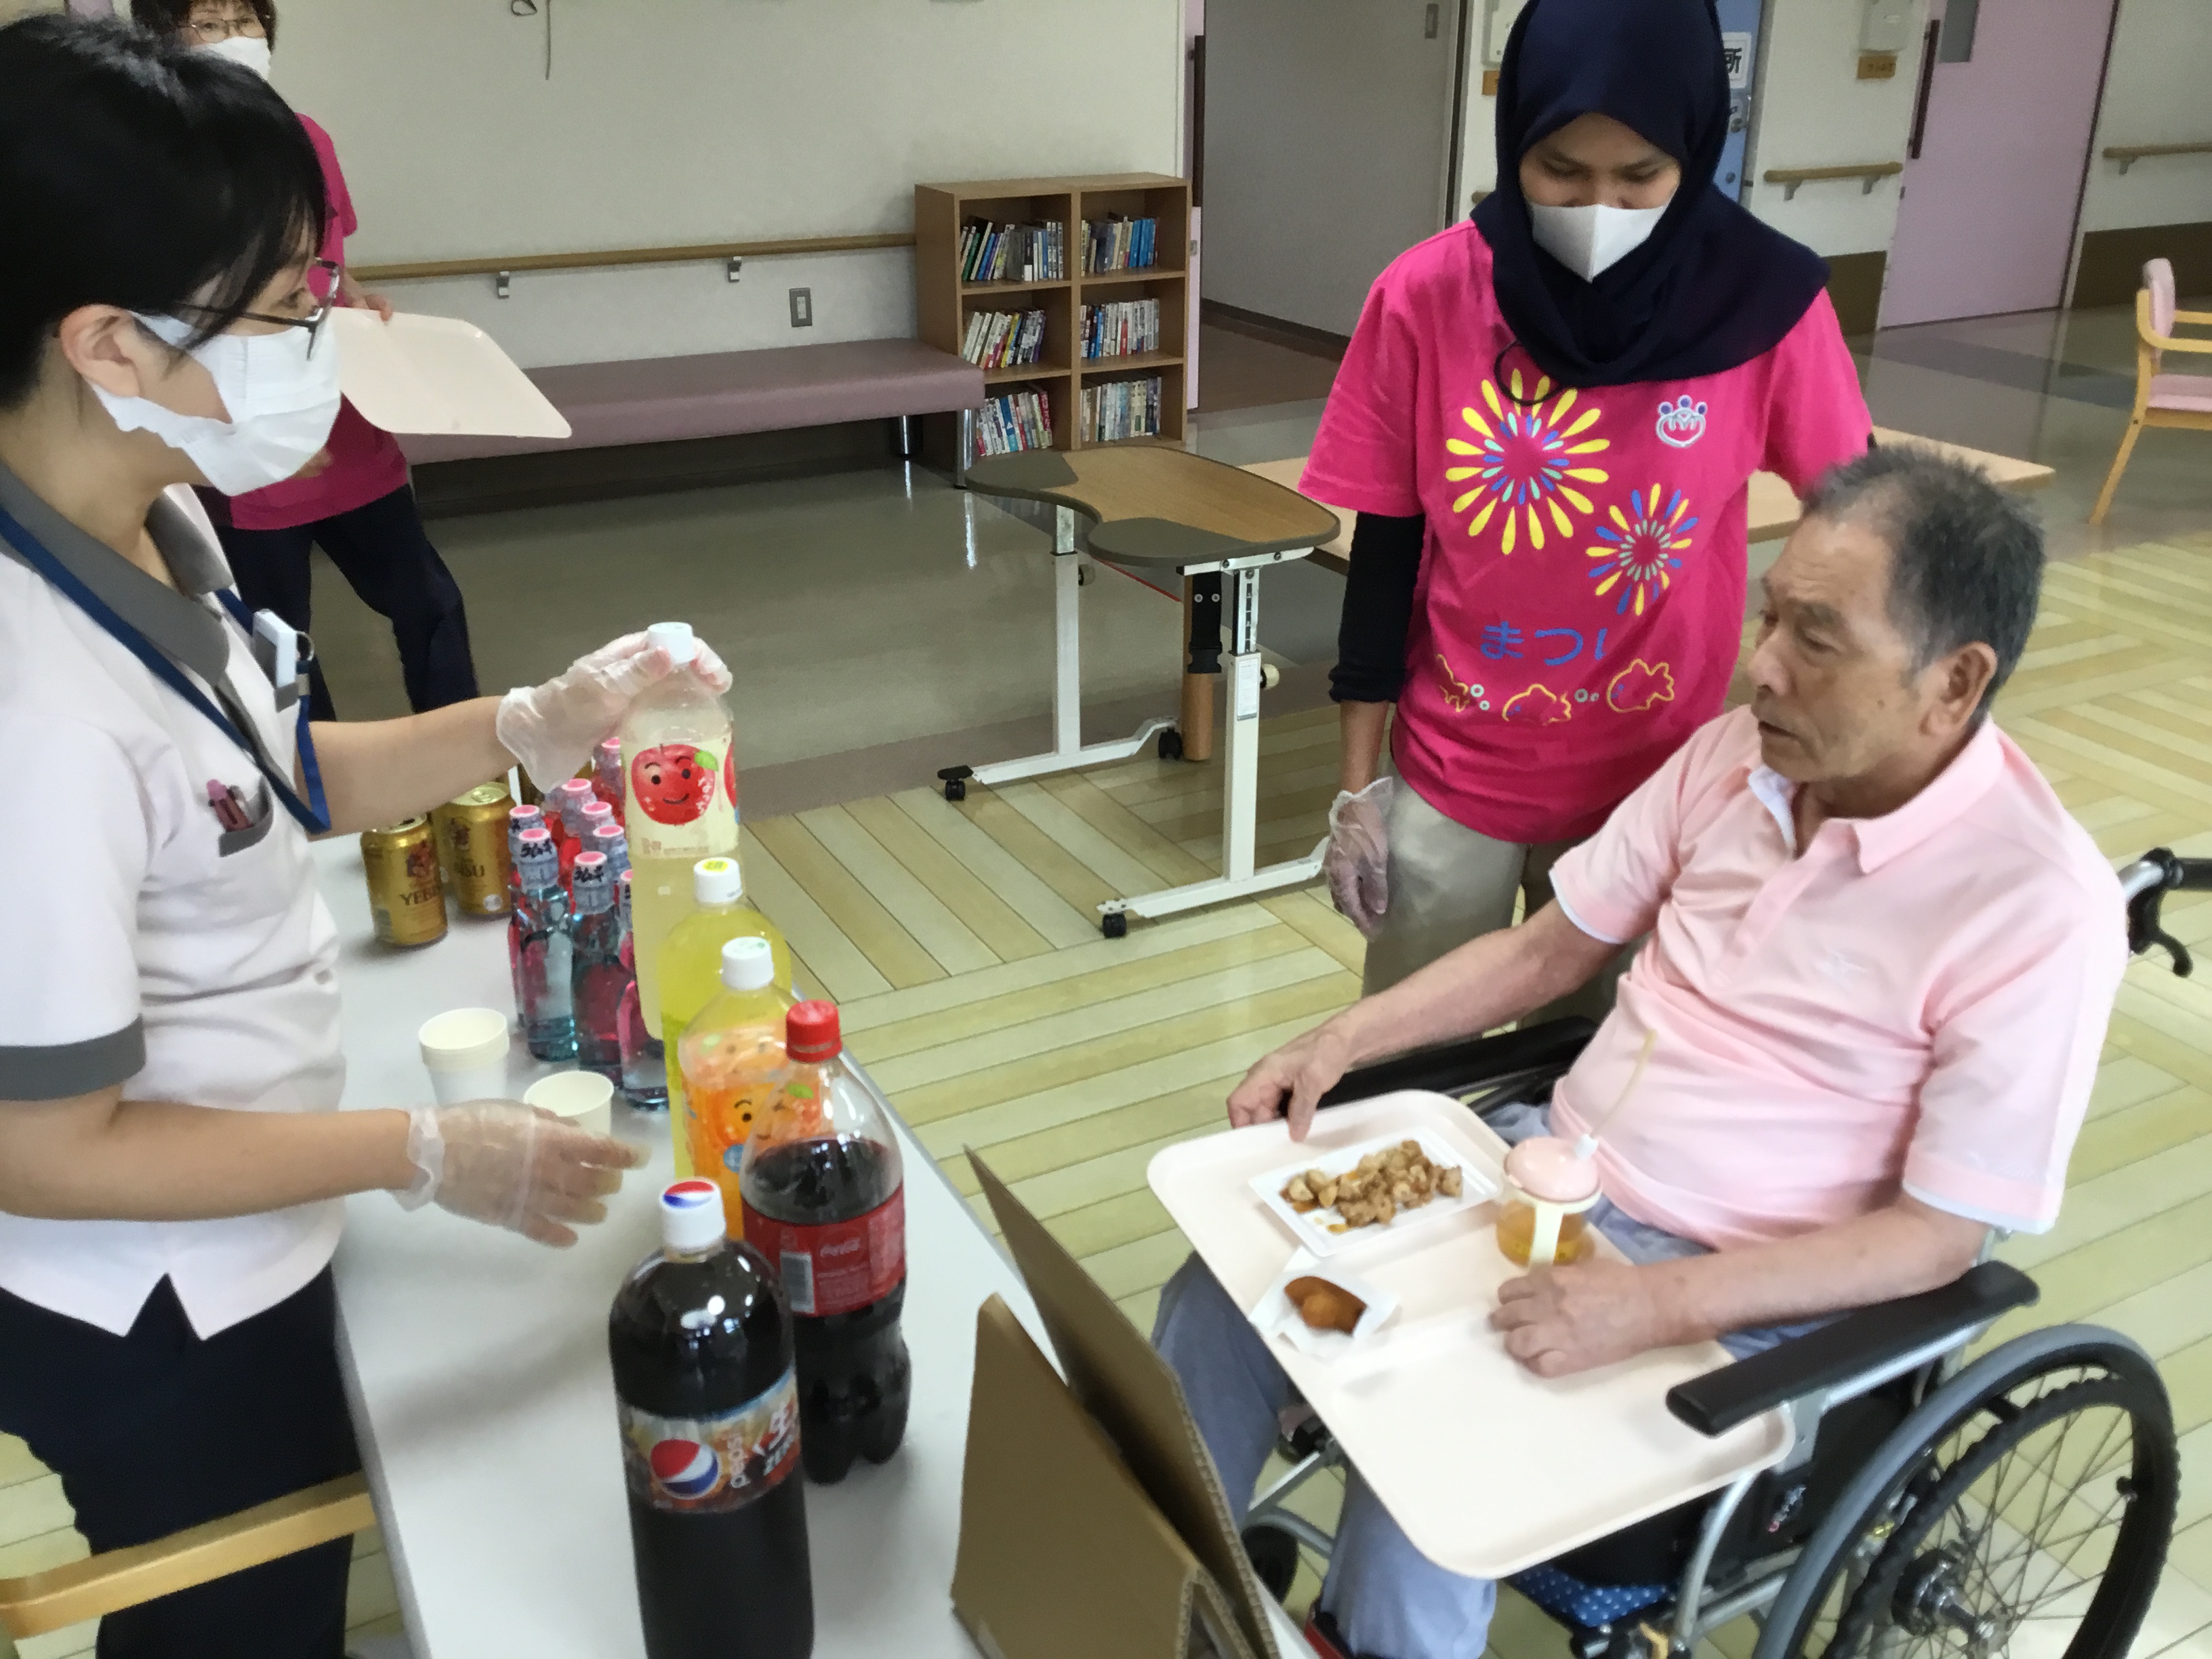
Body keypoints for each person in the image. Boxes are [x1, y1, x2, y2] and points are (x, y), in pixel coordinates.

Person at [0, 20, 724, 1655]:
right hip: (155, 1298)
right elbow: (43, 1144)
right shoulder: (30, 709)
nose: (319, 341)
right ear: (110, 340)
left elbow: (260, 775)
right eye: (282, 309)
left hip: (243, 1213)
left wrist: (522, 722)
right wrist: (422, 1149)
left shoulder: (145, 509)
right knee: (231, 1623)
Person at [1158, 447, 2125, 1659]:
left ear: (1954, 681)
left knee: (1434, 1465)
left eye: (1815, 638)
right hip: (1546, 1182)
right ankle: (1162, 1589)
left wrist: (1647, 1303)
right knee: (1221, 1296)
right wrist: (1338, 1039)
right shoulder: (1733, 760)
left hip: (1740, 1298)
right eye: (1769, 614)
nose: (1761, 664)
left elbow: (1939, 1238)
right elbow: (1547, 950)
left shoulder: (2037, 907)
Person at [1313, 0, 1872, 999]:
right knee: (1410, 1055)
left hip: (1657, 784)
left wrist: (1826, 756)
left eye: (1640, 176)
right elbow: (1387, 549)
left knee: (1603, 1062)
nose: (1599, 206)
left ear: (1694, 153)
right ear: (1515, 139)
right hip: (1456, 772)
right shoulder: (1427, 295)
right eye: (1561, 170)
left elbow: (1861, 527)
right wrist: (1360, 788)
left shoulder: (1769, 306)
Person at [131, 0, 480, 724]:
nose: (237, 39)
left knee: (429, 598)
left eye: (247, 20)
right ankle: (308, 769)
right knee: (280, 639)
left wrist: (356, 298)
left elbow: (329, 257)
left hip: (341, 419)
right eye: (210, 23)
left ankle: (461, 748)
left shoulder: (306, 137)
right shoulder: (158, 160)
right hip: (245, 425)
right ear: (162, 36)